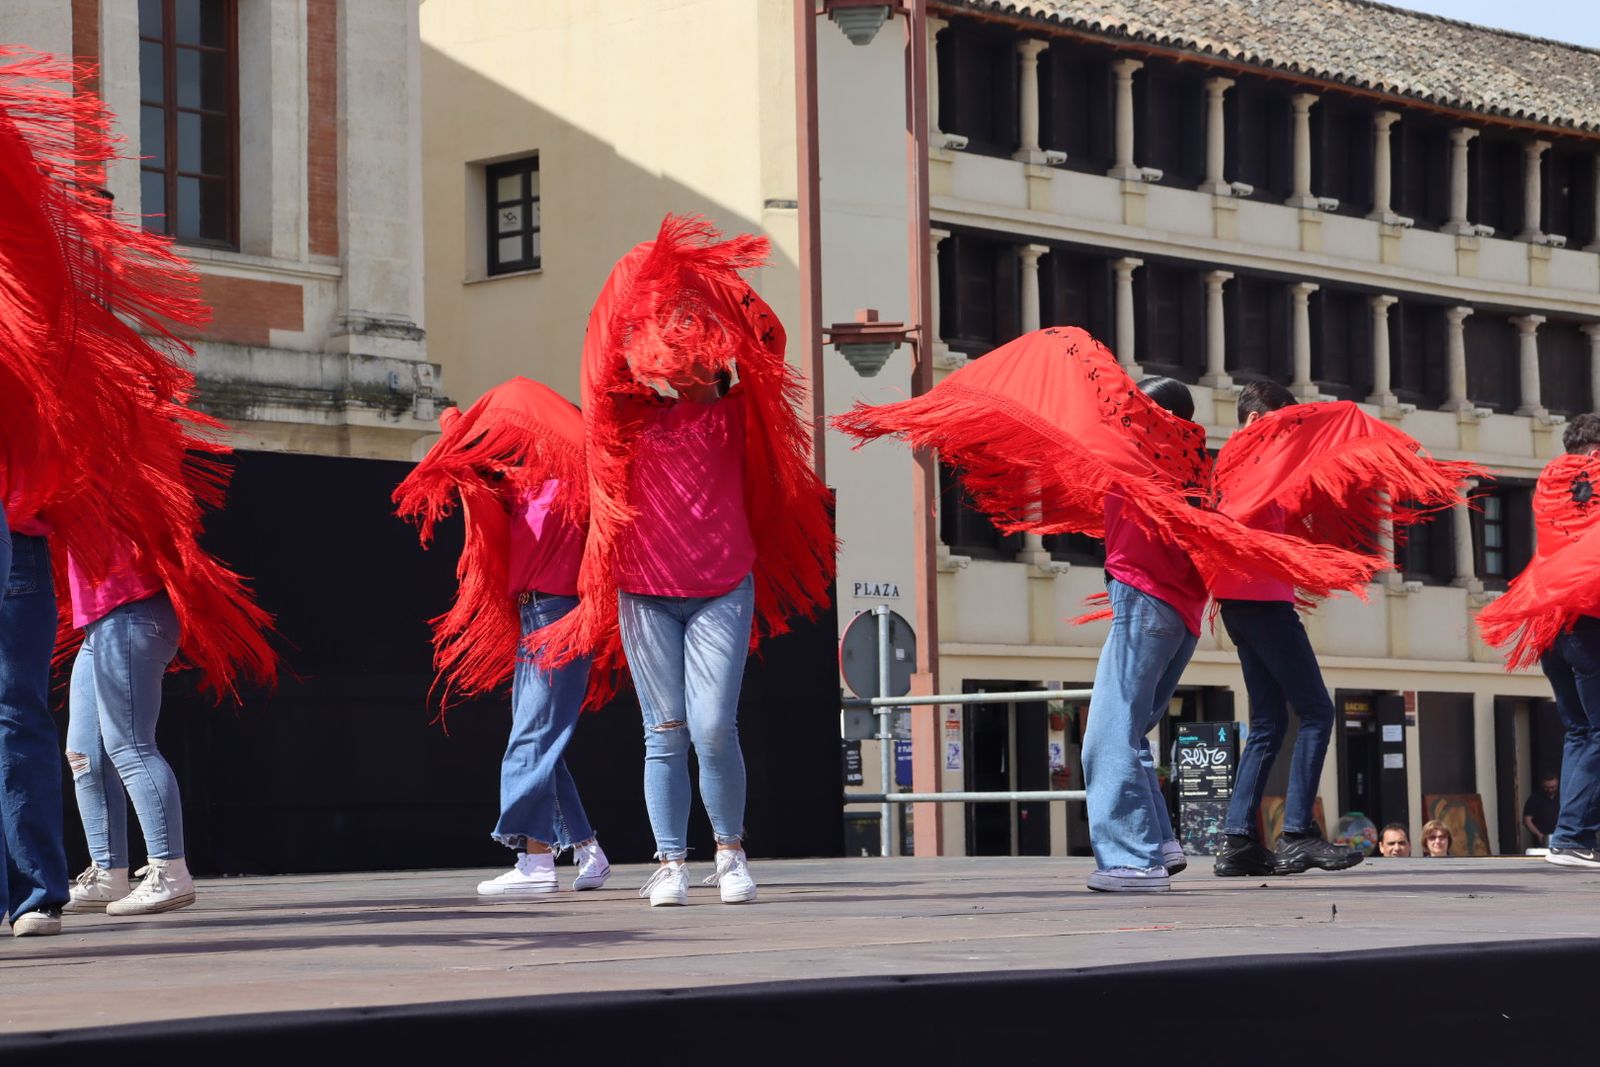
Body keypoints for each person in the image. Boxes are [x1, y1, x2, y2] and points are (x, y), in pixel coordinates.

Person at [835, 327, 1383, 893]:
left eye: (1136, 408)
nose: (1125, 414)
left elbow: (1065, 412)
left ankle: (1133, 859)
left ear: (1151, 417)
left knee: (1107, 732)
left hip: (1147, 601)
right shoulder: (1191, 466)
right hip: (1180, 612)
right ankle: (1163, 844)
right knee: (1137, 727)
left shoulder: (1142, 456)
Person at [538, 217, 835, 907]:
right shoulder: (629, 419)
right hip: (644, 587)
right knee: (664, 731)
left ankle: (729, 851)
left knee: (710, 725)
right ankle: (670, 859)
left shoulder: (739, 414)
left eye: (699, 352)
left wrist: (716, 286)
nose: (687, 364)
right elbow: (599, 366)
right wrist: (634, 285)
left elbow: (771, 342)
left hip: (721, 584)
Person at [1210, 383, 1478, 878]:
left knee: (1268, 723)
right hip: (1262, 601)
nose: (1286, 435)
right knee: (1315, 711)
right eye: (1278, 424)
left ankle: (1237, 841)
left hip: (1240, 599)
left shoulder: (1235, 466)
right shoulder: (1250, 459)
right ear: (1252, 422)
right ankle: (1295, 834)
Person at [394, 379, 611, 896]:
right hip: (533, 615)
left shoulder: (585, 484)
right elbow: (471, 459)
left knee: (530, 740)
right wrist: (453, 422)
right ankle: (587, 850)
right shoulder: (526, 483)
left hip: (563, 616)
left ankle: (536, 863)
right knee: (539, 741)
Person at [1479, 414, 1600, 870]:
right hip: (1589, 621)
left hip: (1552, 625)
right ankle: (1572, 837)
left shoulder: (1548, 486)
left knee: (1581, 732)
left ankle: (1571, 837)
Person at [1522, 772, 1560, 850]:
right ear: (1542, 785)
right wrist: (1539, 835)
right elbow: (1527, 820)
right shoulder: (1535, 798)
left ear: (1558, 784)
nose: (1550, 790)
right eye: (1547, 787)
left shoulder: (1563, 796)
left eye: (1553, 787)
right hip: (1542, 841)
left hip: (1562, 839)